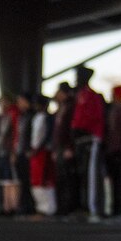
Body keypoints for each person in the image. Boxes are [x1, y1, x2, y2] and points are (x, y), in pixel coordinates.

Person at [70, 66, 106, 218]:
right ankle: (82, 204)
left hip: (91, 139)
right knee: (81, 174)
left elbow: (95, 118)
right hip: (80, 140)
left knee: (91, 175)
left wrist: (83, 129)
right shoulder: (80, 96)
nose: (76, 80)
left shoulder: (92, 96)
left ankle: (92, 207)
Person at [51, 82, 77, 216]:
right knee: (60, 178)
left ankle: (68, 206)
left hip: (66, 146)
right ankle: (60, 206)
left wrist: (69, 146)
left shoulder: (71, 107)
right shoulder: (61, 108)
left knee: (67, 178)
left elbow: (70, 129)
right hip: (59, 147)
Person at [29, 95, 56, 216]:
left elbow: (47, 135)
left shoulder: (48, 118)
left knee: (44, 179)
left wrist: (40, 147)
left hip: (43, 151)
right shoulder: (36, 117)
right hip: (35, 151)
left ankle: (48, 208)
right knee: (36, 179)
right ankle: (40, 206)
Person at [105, 85, 121, 218]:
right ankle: (115, 207)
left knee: (120, 181)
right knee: (114, 181)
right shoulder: (112, 110)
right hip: (112, 149)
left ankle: (119, 208)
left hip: (119, 150)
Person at [13, 93, 36, 216]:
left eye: (20, 101)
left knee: (29, 180)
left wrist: (30, 149)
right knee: (22, 180)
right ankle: (24, 204)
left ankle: (30, 205)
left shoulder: (32, 116)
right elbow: (18, 136)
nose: (18, 104)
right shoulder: (21, 117)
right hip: (20, 152)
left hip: (28, 152)